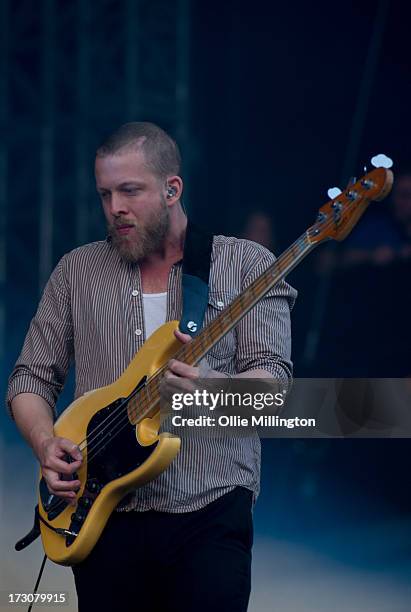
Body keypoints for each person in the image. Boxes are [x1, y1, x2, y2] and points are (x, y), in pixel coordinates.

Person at [6, 122, 296, 612]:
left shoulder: (245, 265)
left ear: (172, 188)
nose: (114, 207)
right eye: (105, 193)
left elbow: (274, 386)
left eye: (130, 190)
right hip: (102, 513)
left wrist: (212, 387)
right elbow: (30, 378)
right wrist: (45, 443)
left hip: (208, 510)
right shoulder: (77, 271)